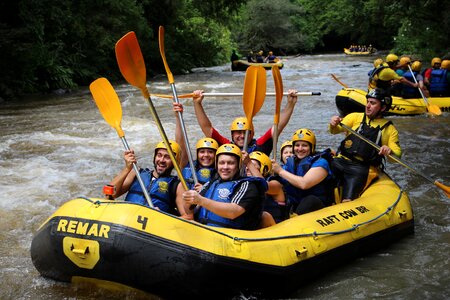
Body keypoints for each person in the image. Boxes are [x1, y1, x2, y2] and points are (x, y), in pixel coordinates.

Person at [328, 88, 402, 202]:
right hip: (341, 160)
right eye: (368, 102)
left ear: (382, 108)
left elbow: (397, 156)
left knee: (348, 201)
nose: (368, 106)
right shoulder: (355, 117)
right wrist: (333, 124)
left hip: (362, 169)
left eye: (373, 103)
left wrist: (390, 151)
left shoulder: (390, 129)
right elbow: (334, 130)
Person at [182, 144, 268, 230]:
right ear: (217, 165)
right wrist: (188, 201)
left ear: (238, 165)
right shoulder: (210, 184)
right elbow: (190, 211)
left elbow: (233, 212)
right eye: (221, 163)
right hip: (204, 231)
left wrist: (201, 200)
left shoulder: (247, 185)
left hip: (230, 236)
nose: (225, 167)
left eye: (230, 163)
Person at [192, 89, 299, 156]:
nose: (242, 136)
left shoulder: (260, 145)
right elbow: (207, 128)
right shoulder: (226, 146)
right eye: (238, 132)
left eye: (246, 132)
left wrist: (290, 104)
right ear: (232, 135)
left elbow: (278, 125)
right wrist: (197, 104)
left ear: (252, 134)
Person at [108, 141, 192, 219]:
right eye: (159, 155)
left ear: (175, 162)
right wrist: (127, 169)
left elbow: (188, 217)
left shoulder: (177, 185)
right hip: (127, 219)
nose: (162, 160)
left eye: (167, 157)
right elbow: (109, 195)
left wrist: (163, 218)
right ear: (154, 157)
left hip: (151, 227)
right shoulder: (136, 173)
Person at [272, 128, 334, 215]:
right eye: (297, 145)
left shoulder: (321, 162)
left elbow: (304, 184)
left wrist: (280, 171)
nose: (300, 149)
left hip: (317, 205)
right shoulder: (291, 163)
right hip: (295, 204)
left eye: (304, 145)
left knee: (310, 200)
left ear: (312, 147)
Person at [173, 102, 218, 191]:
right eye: (202, 152)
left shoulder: (222, 170)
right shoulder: (187, 165)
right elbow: (180, 143)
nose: (206, 155)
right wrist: (178, 117)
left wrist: (205, 189)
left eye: (210, 152)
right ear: (197, 154)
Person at [244, 150, 288, 223]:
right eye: (246, 165)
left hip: (274, 225)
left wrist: (249, 163)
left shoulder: (276, 184)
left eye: (253, 165)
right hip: (254, 225)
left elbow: (263, 185)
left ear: (265, 169)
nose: (248, 168)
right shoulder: (245, 184)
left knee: (265, 216)